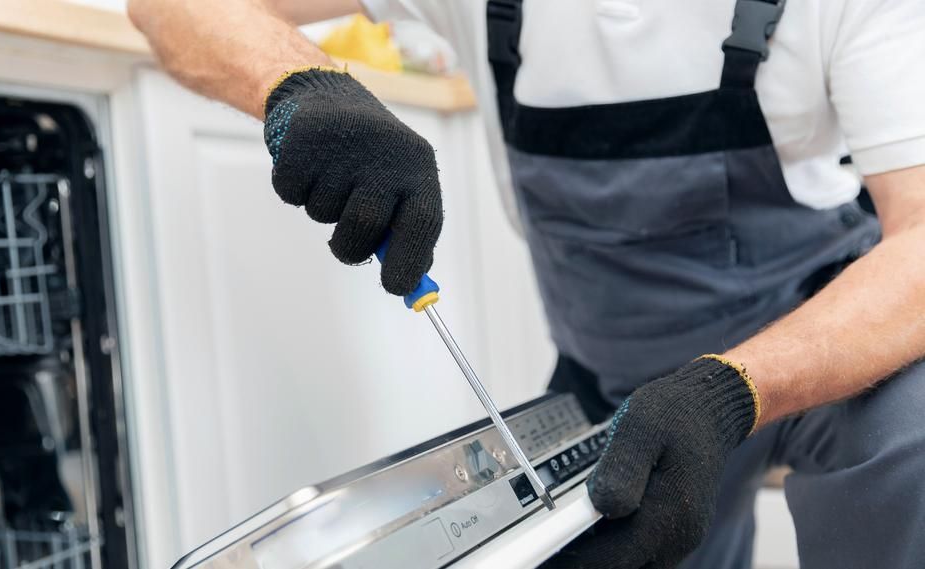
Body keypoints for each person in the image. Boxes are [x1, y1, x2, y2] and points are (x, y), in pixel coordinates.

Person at [128, 1, 925, 567]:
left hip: (813, 355)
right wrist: (300, 85)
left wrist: (729, 393)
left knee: (913, 437)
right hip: (613, 388)